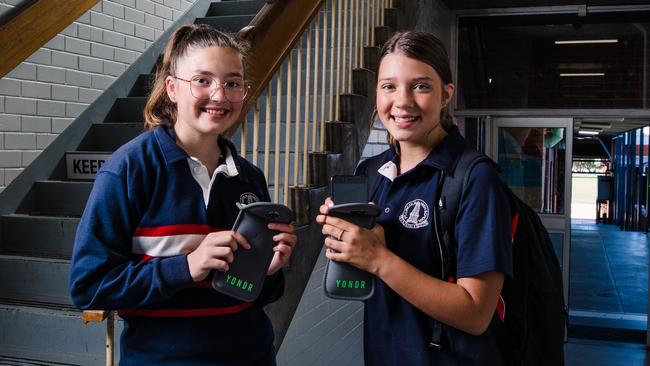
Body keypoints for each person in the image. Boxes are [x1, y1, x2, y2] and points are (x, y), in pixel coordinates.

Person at [69, 24, 297, 366]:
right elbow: (90, 286)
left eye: (232, 83)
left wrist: (269, 271)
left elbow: (260, 295)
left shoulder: (249, 178)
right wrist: (185, 267)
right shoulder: (129, 169)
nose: (219, 95)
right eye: (202, 80)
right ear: (172, 88)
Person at [317, 31, 513, 365]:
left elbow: (476, 314)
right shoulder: (370, 171)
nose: (402, 101)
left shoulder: (474, 178)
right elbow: (365, 272)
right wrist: (347, 241)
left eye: (420, 86)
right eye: (388, 86)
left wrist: (379, 258)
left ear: (446, 94)